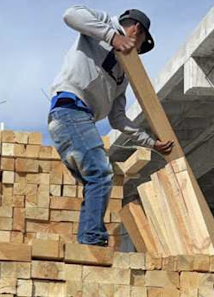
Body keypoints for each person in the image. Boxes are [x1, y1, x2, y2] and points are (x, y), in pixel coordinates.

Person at [48, 7, 174, 247]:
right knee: (101, 173)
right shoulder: (105, 24)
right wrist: (113, 37)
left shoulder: (122, 76)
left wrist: (151, 142)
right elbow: (70, 15)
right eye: (138, 47)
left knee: (95, 179)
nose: (135, 53)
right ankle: (92, 240)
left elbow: (118, 119)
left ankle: (88, 243)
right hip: (70, 109)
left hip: (79, 119)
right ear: (136, 31)